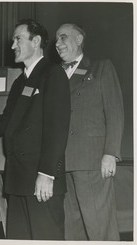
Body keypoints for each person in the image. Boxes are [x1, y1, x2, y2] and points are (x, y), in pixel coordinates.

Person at [0, 19, 71, 240]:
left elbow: (58, 128)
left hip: (40, 180)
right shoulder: (20, 81)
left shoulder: (53, 74)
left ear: (36, 41)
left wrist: (47, 174)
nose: (12, 46)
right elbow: (9, 120)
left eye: (18, 39)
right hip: (18, 179)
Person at [55, 23, 124, 241]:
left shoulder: (101, 67)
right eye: (56, 39)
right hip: (62, 164)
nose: (57, 43)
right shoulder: (54, 75)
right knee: (71, 229)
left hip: (93, 161)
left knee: (99, 228)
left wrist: (110, 153)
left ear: (79, 39)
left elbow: (115, 112)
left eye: (63, 37)